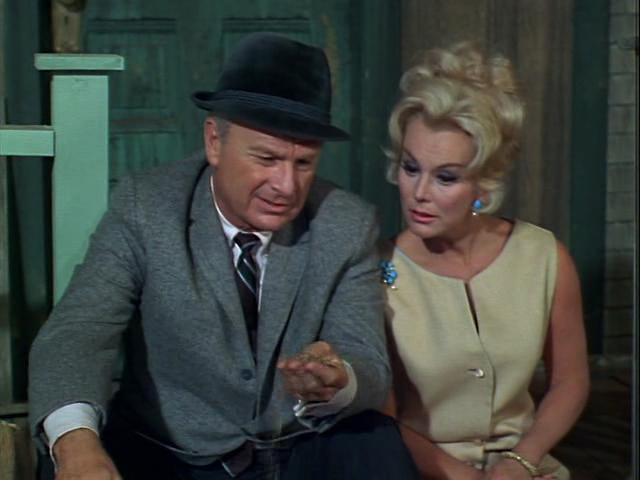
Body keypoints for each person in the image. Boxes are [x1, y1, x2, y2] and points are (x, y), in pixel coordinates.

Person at [29, 32, 419, 480]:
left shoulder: (346, 223)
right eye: (267, 159)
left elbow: (367, 360)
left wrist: (338, 380)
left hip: (297, 449)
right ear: (215, 141)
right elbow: (78, 331)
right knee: (68, 452)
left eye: (304, 163)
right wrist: (76, 445)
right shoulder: (147, 208)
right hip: (173, 456)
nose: (286, 186)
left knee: (375, 442)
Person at [379, 42, 590, 480]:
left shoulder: (544, 257)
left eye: (446, 177)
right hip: (421, 471)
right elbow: (381, 416)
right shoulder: (375, 271)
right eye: (411, 168)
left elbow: (570, 382)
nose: (419, 193)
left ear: (484, 182)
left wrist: (521, 462)